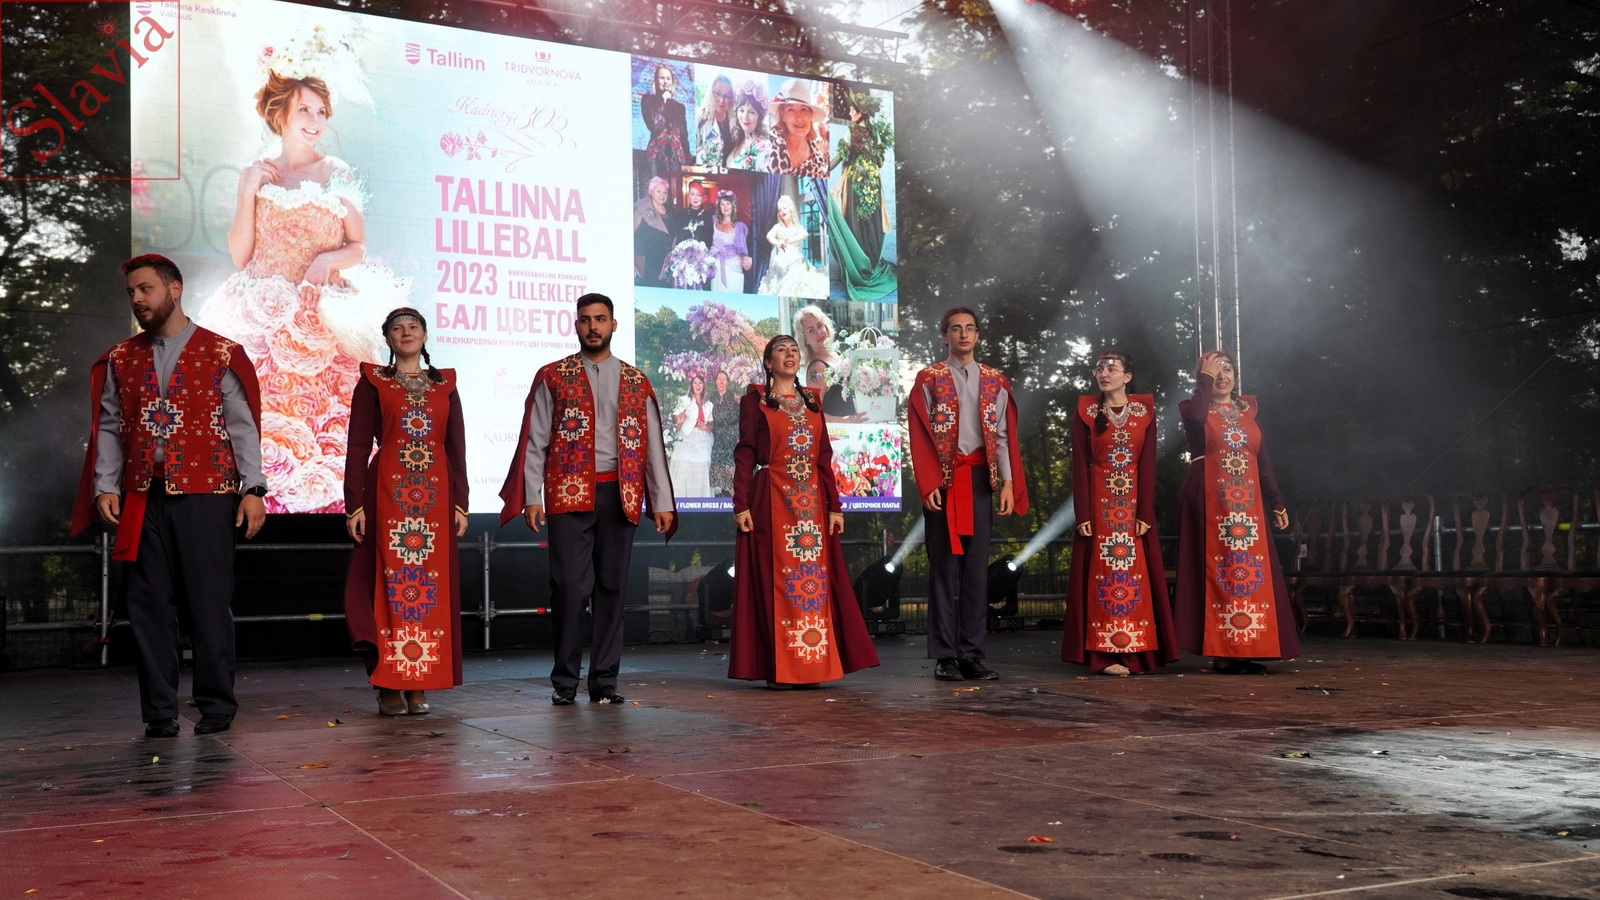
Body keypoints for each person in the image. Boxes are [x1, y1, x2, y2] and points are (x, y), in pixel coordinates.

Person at [71, 254, 267, 738]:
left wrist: (254, 487)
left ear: (174, 289)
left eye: (145, 289)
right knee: (149, 606)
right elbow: (109, 428)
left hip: (207, 493)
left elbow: (242, 427)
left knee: (208, 600)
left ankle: (216, 704)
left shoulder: (221, 352)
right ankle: (160, 712)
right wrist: (105, 485)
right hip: (142, 496)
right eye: (131, 293)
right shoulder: (121, 358)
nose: (137, 299)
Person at [198, 72, 409, 514]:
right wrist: (248, 188)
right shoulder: (257, 172)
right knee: (249, 416)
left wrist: (324, 262)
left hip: (319, 315)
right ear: (280, 114)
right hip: (257, 312)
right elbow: (240, 254)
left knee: (327, 422)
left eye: (321, 112)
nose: (315, 121)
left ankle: (325, 516)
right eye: (304, 110)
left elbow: (358, 246)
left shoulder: (336, 172)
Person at [499, 294, 677, 705]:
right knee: (569, 587)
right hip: (567, 493)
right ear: (575, 325)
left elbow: (652, 446)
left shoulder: (636, 381)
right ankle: (565, 681)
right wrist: (531, 495)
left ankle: (605, 681)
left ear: (614, 325)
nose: (593, 326)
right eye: (585, 319)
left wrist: (662, 501)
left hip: (622, 494)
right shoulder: (553, 376)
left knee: (613, 587)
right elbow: (535, 440)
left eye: (600, 319)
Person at [729, 336, 879, 688]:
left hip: (811, 505)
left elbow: (823, 457)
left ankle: (813, 667)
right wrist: (741, 504)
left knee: (812, 585)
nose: (790, 354)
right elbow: (745, 453)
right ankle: (780, 669)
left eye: (794, 350)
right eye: (781, 350)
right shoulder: (755, 400)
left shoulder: (812, 401)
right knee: (777, 583)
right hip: (771, 499)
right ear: (768, 363)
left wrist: (835, 506)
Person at [342, 308, 468, 716]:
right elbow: (358, 446)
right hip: (386, 497)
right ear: (388, 339)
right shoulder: (373, 382)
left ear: (425, 335)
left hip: (435, 501)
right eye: (397, 328)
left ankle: (420, 682)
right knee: (390, 588)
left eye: (414, 326)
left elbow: (456, 448)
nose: (406, 332)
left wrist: (461, 503)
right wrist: (354, 504)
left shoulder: (445, 384)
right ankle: (389, 682)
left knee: (427, 592)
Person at [908, 307, 1028, 682]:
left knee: (976, 570)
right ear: (944, 336)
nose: (963, 334)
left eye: (970, 328)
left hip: (979, 480)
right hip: (944, 482)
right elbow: (919, 433)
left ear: (977, 335)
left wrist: (1008, 482)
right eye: (956, 329)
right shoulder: (929, 378)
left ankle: (972, 655)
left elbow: (1004, 436)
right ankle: (945, 656)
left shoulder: (995, 380)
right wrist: (928, 482)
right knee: (944, 570)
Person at [1174, 351, 1300, 674]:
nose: (1222, 376)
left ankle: (1246, 648)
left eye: (1227, 368)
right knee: (1220, 571)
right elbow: (1197, 419)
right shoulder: (1193, 409)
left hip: (1247, 506)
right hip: (1210, 499)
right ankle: (1224, 653)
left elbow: (1263, 460)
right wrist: (1204, 379)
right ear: (1202, 378)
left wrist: (1277, 501)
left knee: (1250, 574)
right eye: (1213, 371)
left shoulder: (1247, 412)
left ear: (1235, 375)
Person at [1061, 351, 1178, 676]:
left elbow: (1148, 464)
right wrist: (1083, 514)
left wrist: (1145, 512)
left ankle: (1136, 652)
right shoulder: (1085, 411)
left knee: (1136, 577)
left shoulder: (1144, 412)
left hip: (1132, 511)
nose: (1104, 373)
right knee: (1102, 576)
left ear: (1127, 376)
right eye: (1099, 368)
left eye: (1112, 368)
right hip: (1098, 508)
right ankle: (1104, 654)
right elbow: (1079, 465)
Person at [794, 304, 862, 421]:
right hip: (839, 431)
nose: (818, 332)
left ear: (826, 326)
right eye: (811, 330)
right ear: (805, 339)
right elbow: (812, 413)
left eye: (819, 325)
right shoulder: (817, 369)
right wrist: (846, 421)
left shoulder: (836, 354)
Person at [757, 195, 821, 297]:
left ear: (791, 210)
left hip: (796, 262)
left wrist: (791, 240)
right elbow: (769, 236)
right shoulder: (778, 227)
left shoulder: (797, 227)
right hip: (780, 263)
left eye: (784, 208)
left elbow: (805, 234)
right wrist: (778, 243)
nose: (782, 211)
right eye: (780, 210)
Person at [771, 79, 829, 177]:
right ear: (783, 115)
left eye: (803, 109)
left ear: (811, 115)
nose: (799, 118)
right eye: (791, 109)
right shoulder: (767, 146)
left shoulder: (818, 161)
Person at [668, 372, 714, 497]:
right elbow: (675, 418)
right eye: (695, 383)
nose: (698, 385)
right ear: (691, 385)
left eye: (700, 383)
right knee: (683, 459)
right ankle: (681, 497)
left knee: (704, 460)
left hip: (703, 437)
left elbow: (711, 424)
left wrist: (705, 427)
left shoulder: (709, 404)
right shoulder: (684, 400)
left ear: (704, 385)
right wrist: (679, 419)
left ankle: (700, 496)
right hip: (686, 434)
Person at [640, 63, 690, 177]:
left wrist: (687, 158)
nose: (665, 82)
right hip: (657, 154)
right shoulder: (647, 101)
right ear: (656, 81)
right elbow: (655, 126)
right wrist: (663, 102)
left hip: (676, 156)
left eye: (668, 78)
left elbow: (684, 135)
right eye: (662, 78)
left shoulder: (679, 107)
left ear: (672, 82)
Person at [633, 176, 673, 288]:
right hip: (645, 262)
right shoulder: (641, 209)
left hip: (663, 262)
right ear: (651, 191)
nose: (662, 195)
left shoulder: (669, 211)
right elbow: (629, 236)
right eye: (658, 191)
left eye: (665, 192)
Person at [709, 190, 752, 293]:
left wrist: (746, 261)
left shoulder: (739, 227)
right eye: (722, 204)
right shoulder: (712, 221)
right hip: (716, 269)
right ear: (719, 206)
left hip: (733, 269)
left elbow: (742, 250)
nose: (725, 207)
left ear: (733, 206)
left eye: (728, 203)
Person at [725, 84, 775, 172]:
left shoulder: (764, 148)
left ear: (759, 116)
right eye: (741, 110)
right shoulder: (736, 138)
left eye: (751, 112)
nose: (745, 117)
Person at [709, 368, 741, 497]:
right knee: (716, 462)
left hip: (732, 432)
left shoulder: (733, 396)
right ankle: (724, 490)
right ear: (716, 382)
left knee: (730, 464)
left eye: (724, 379)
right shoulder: (711, 398)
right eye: (719, 379)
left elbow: (744, 410)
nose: (722, 382)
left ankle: (735, 494)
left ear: (727, 382)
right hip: (718, 434)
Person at [695, 74, 735, 172]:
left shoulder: (734, 122)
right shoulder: (700, 121)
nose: (722, 100)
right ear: (711, 93)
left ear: (731, 99)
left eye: (727, 96)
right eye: (717, 93)